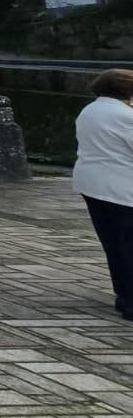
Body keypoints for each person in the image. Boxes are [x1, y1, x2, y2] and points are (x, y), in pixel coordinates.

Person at [75, 69, 133, 321]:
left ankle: (124, 294)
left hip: (93, 184)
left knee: (114, 243)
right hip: (120, 187)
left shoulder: (90, 110)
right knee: (128, 244)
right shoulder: (125, 115)